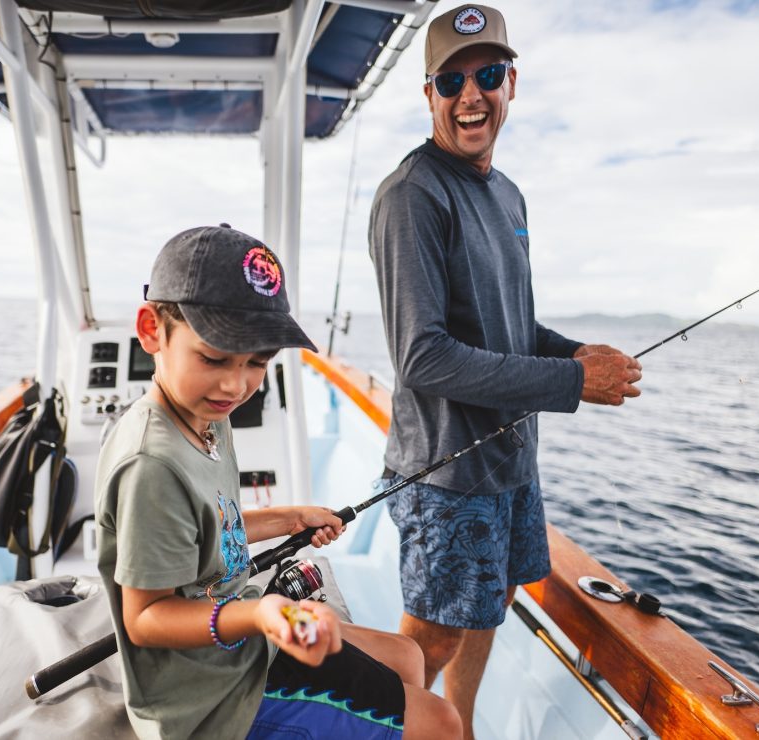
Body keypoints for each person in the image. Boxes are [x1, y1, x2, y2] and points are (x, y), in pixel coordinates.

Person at [368, 5, 644, 738]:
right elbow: (423, 357)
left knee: (486, 610)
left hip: (510, 464)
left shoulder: (509, 195)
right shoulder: (412, 196)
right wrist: (569, 385)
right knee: (431, 639)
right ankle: (385, 728)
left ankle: (455, 728)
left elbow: (514, 329)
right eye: (451, 80)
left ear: (511, 83)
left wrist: (578, 358)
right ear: (427, 93)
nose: (471, 95)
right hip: (447, 475)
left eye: (487, 76)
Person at [94, 225, 461, 739]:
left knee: (406, 654)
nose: (235, 384)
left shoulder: (207, 416)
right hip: (204, 695)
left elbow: (212, 532)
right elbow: (146, 618)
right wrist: (263, 614)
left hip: (240, 646)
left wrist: (291, 518)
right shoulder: (151, 464)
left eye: (258, 362)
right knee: (443, 723)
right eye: (214, 358)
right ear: (153, 330)